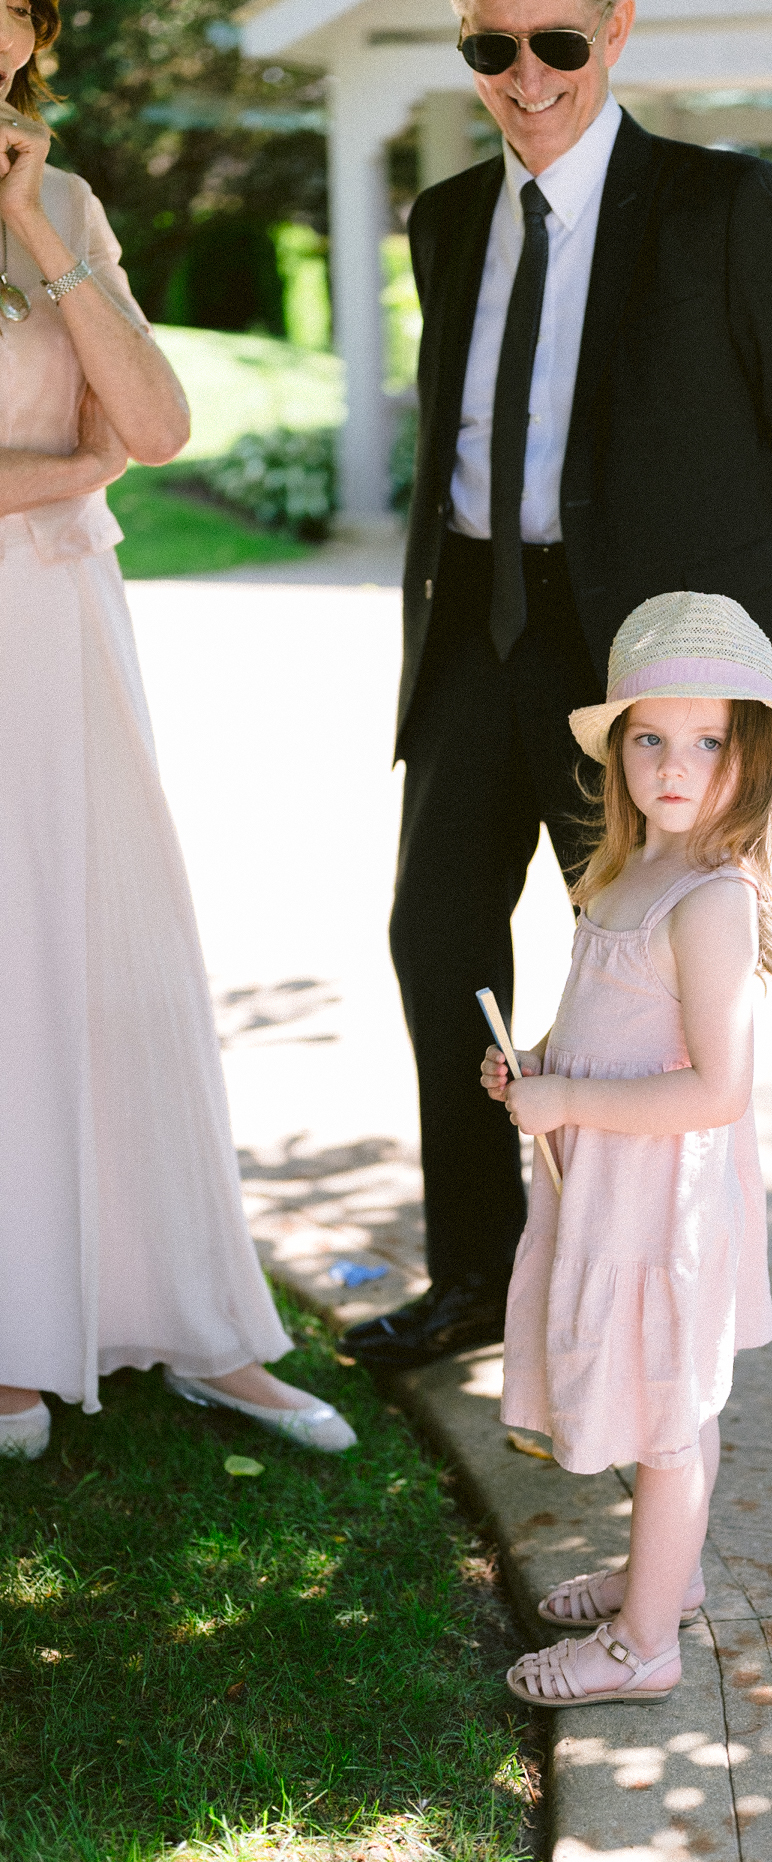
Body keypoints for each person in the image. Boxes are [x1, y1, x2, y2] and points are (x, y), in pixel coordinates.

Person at [341, 0, 772, 1374]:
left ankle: (656, 1314)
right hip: (470, 630)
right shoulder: (445, 220)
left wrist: (706, 670)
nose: (525, 77)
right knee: (437, 941)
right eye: (489, 48)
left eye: (556, 42)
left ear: (616, 30)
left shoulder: (721, 207)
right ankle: (478, 1278)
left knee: (652, 986)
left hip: (640, 675)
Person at [0, 3, 356, 1460]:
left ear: (31, 36)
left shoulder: (67, 201)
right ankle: (15, 1338)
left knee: (107, 952)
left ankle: (190, 1322)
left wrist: (33, 224)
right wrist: (60, 464)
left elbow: (151, 426)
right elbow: (90, 455)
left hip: (65, 634)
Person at [479, 591, 772, 1706]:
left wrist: (570, 1091)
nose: (675, 767)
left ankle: (642, 1650)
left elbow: (717, 1088)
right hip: (608, 1190)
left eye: (708, 741)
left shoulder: (711, 901)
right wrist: (535, 1066)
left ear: (750, 755)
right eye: (650, 739)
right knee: (672, 1408)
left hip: (658, 1208)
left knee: (665, 1419)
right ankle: (660, 1582)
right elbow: (604, 1027)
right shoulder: (625, 873)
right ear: (619, 748)